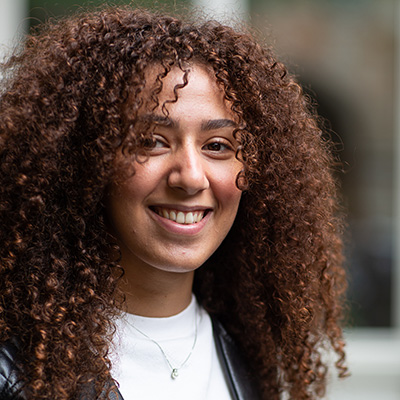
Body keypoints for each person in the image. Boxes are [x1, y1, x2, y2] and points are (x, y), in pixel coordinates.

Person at [0, 6, 347, 400]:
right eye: (152, 141)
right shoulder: (16, 372)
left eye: (217, 146)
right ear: (86, 159)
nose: (191, 177)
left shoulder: (250, 361)